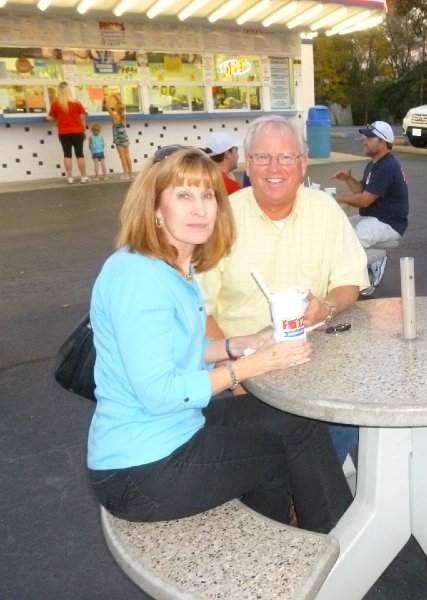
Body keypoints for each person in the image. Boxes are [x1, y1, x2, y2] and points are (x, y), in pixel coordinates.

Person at [87, 146, 351, 532]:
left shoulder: (176, 265)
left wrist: (242, 344)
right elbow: (159, 391)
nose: (200, 209)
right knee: (277, 454)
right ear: (156, 208)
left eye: (208, 195)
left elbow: (179, 349)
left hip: (176, 429)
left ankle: (317, 537)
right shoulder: (137, 277)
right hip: (140, 468)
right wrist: (249, 367)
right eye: (183, 196)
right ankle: (322, 547)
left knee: (297, 423)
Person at [196, 115, 368, 463]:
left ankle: (312, 493)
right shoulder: (221, 218)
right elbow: (200, 309)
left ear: (303, 164)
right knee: (259, 456)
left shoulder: (325, 210)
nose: (274, 167)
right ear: (248, 163)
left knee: (351, 411)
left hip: (315, 363)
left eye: (286, 157)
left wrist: (327, 307)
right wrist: (238, 376)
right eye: (262, 157)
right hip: (240, 369)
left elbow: (349, 282)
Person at [332, 121, 409, 294]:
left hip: (388, 223)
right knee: (337, 229)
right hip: (372, 218)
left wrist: (336, 197)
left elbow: (364, 200)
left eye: (369, 137)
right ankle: (363, 268)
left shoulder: (387, 166)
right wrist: (348, 179)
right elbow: (363, 190)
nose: (364, 140)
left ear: (382, 141)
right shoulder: (375, 164)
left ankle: (373, 265)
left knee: (352, 241)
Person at [47, 81, 90, 184]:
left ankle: (70, 177)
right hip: (77, 131)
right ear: (69, 91)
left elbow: (50, 117)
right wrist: (83, 131)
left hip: (64, 132)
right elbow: (82, 118)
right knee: (80, 154)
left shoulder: (56, 103)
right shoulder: (76, 102)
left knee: (67, 154)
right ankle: (83, 177)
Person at [106, 94, 133, 179]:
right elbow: (121, 105)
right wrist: (117, 97)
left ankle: (125, 174)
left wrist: (110, 96)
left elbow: (107, 106)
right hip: (125, 137)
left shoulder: (115, 116)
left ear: (117, 109)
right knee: (127, 156)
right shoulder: (123, 116)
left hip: (118, 138)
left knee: (122, 157)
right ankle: (130, 173)